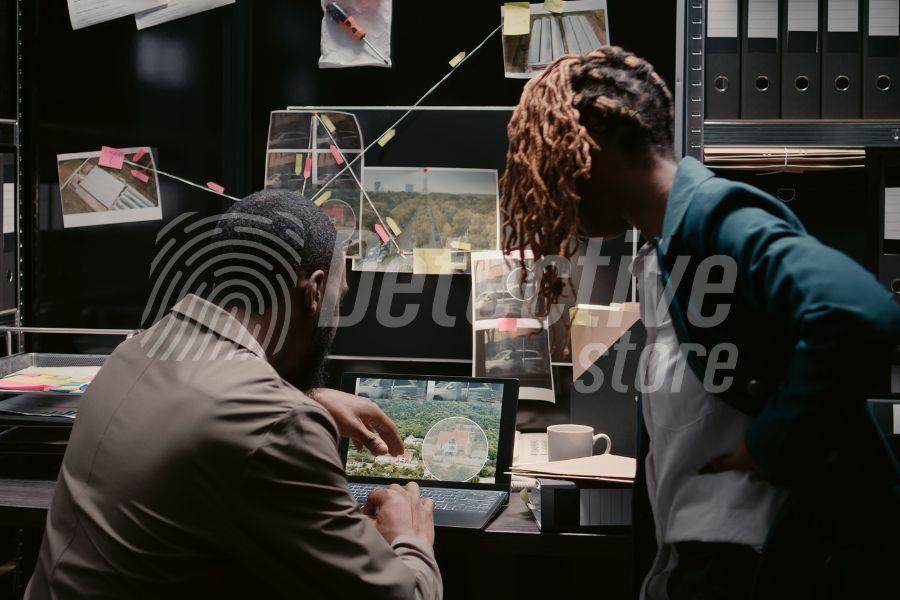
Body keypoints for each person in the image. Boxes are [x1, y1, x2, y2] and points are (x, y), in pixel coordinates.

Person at [499, 46, 900, 600]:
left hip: (752, 555)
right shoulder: (664, 246)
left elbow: (859, 312)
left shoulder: (713, 215)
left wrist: (770, 443)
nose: (545, 179)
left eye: (552, 152)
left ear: (595, 139)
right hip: (705, 554)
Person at [26, 190, 442, 600]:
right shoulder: (279, 423)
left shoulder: (134, 351)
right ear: (314, 292)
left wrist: (307, 397)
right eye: (340, 298)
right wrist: (409, 537)